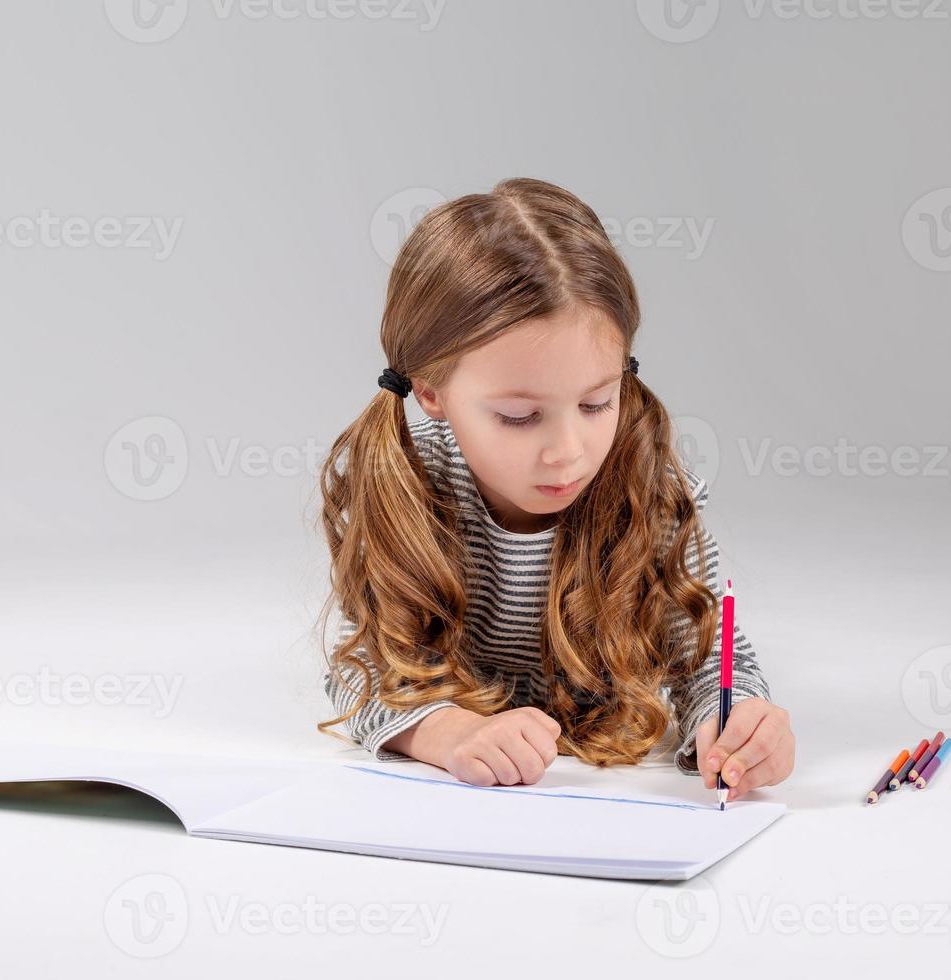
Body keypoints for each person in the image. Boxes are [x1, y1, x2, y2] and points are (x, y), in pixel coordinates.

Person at [316, 177, 794, 799]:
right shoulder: (407, 487)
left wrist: (738, 724)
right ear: (431, 391)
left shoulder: (647, 494)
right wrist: (445, 732)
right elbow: (357, 671)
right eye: (519, 417)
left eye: (598, 402)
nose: (569, 451)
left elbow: (709, 664)